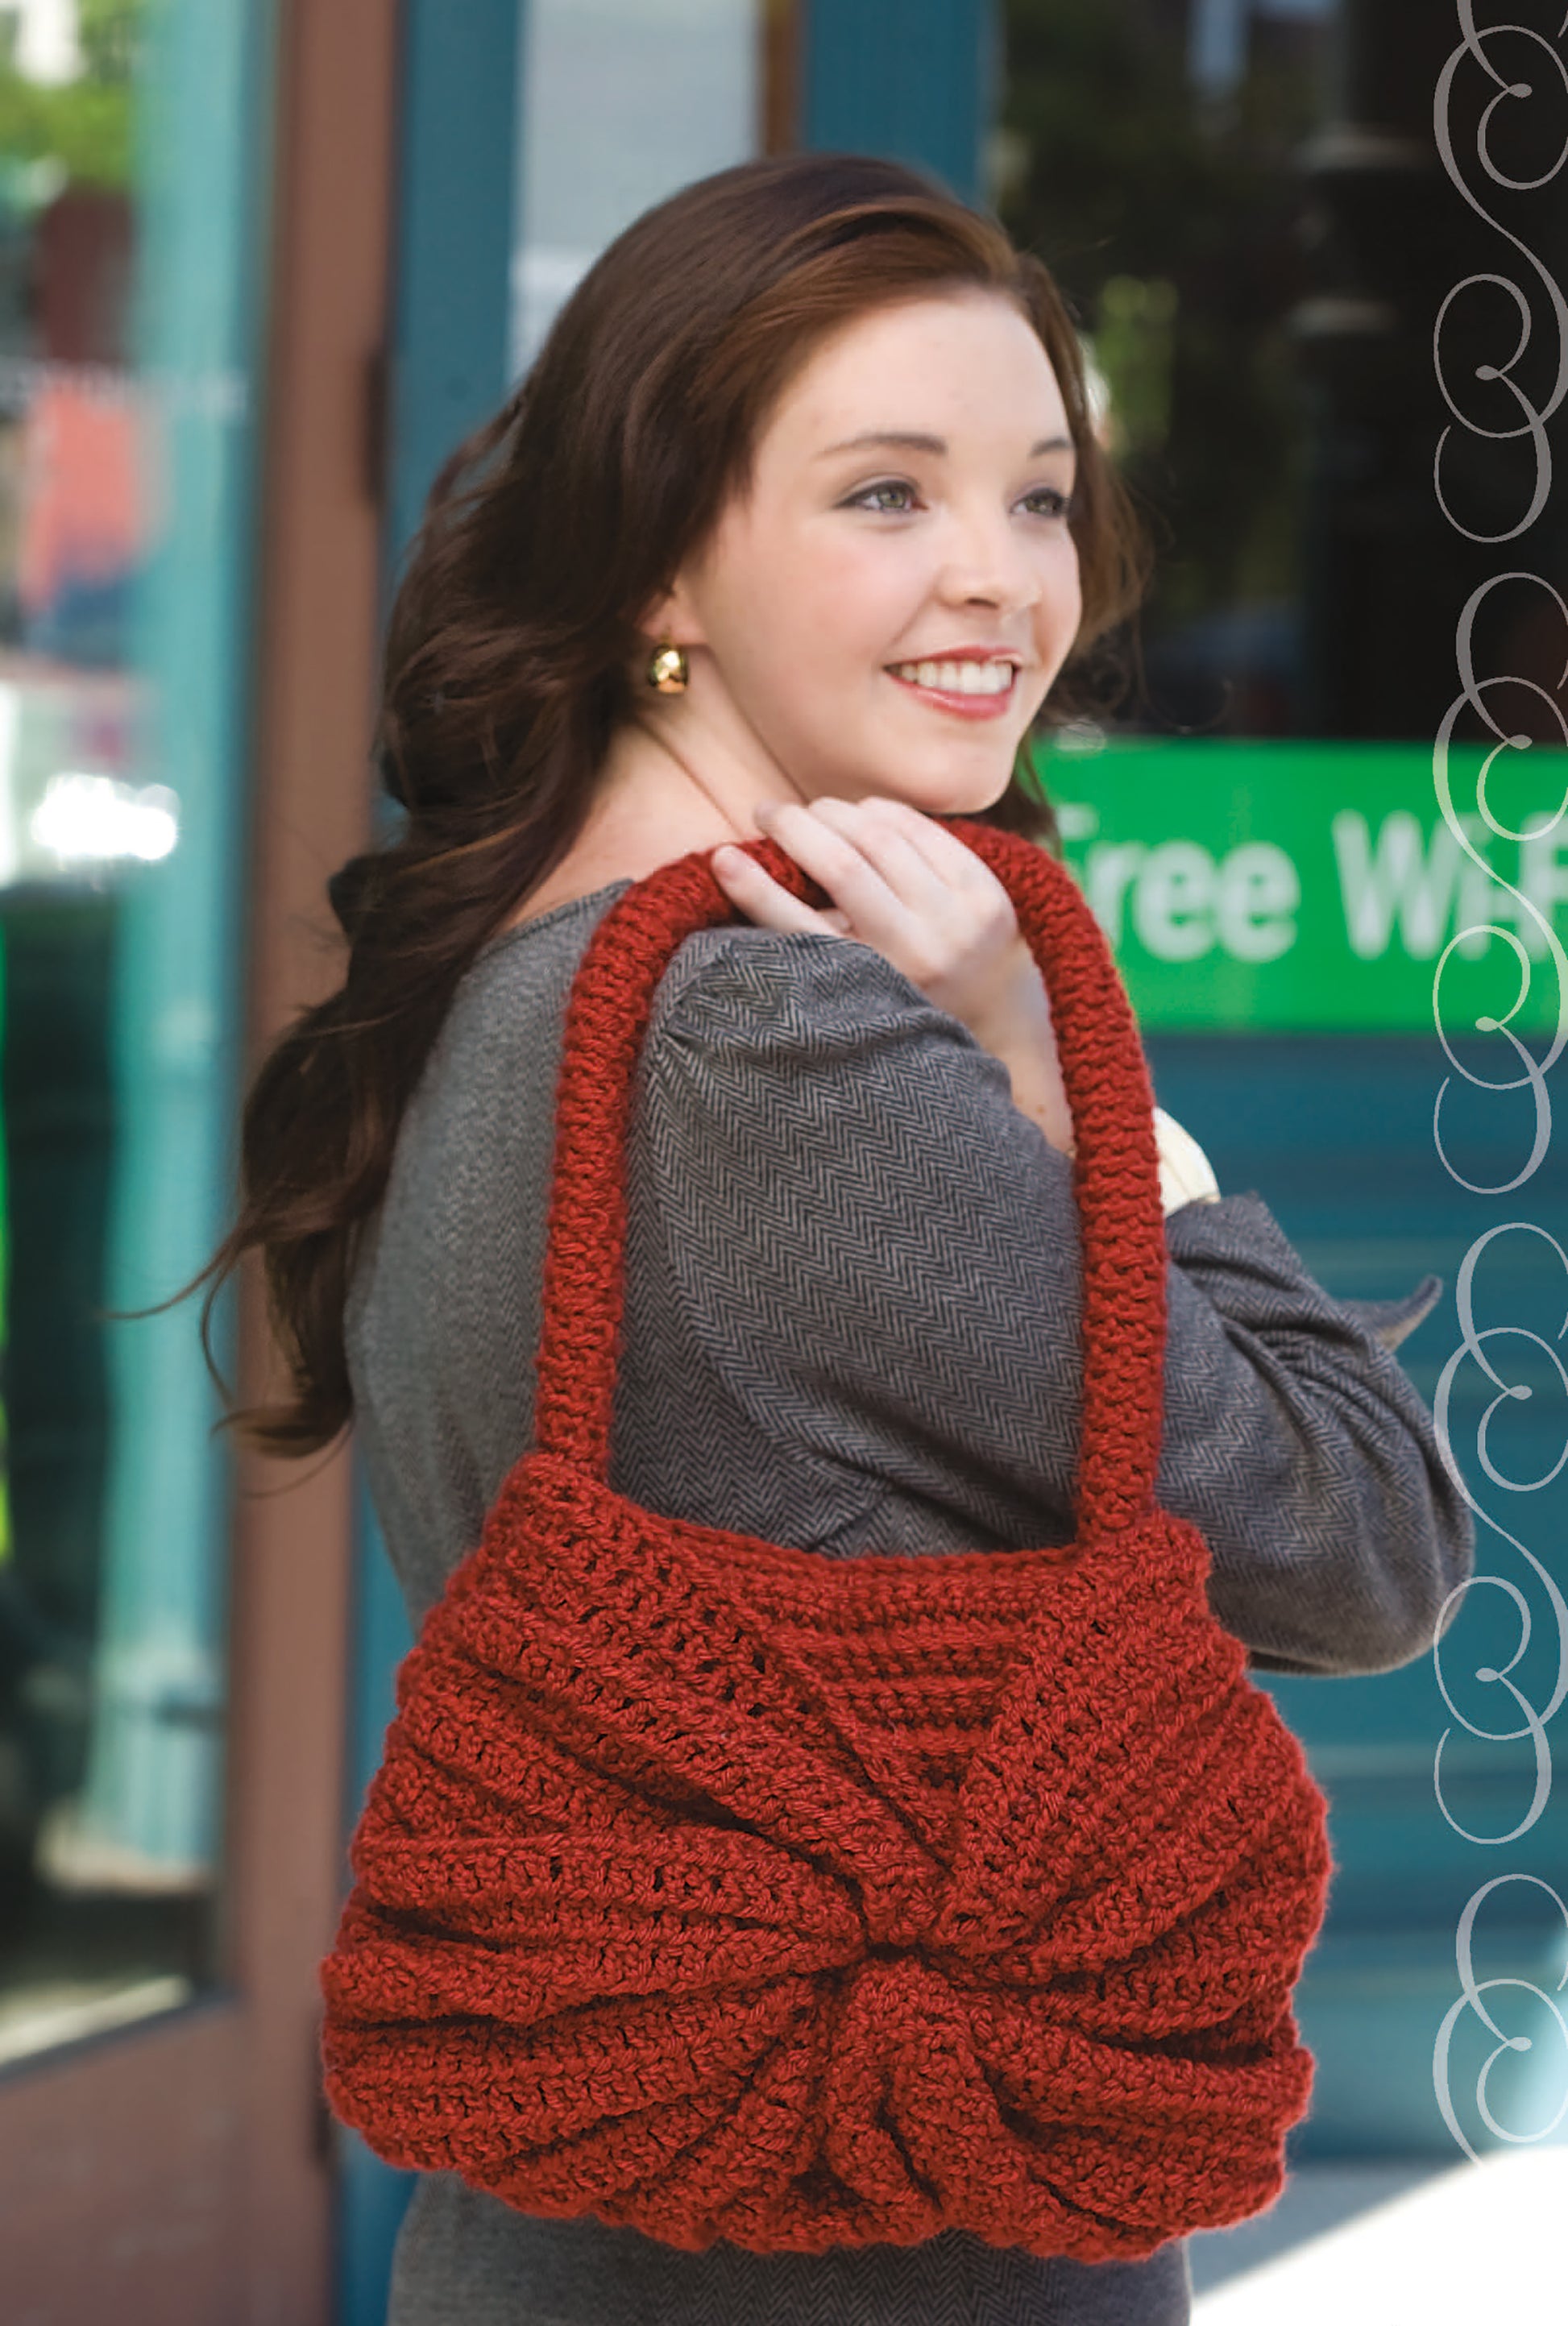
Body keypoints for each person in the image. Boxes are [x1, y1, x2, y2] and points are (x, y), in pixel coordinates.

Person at [207, 153, 1473, 2326]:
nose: (999, 578)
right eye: (884, 494)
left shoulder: (516, 973)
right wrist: (1071, 1103)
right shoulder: (755, 1025)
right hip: (865, 2256)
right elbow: (1361, 1543)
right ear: (654, 562)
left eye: (1040, 497)